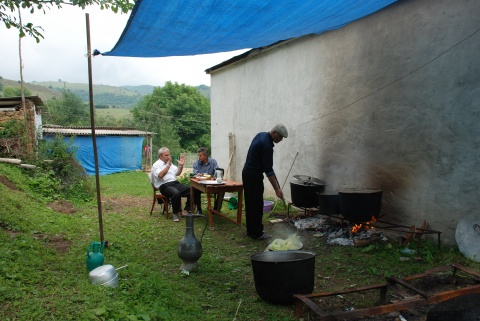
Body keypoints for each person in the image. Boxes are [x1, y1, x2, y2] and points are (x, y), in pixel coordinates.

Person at [242, 124, 288, 240]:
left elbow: (267, 168)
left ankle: (252, 230)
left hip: (247, 172)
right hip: (253, 175)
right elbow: (269, 171)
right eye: (280, 137)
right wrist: (277, 189)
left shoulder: (261, 135)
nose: (281, 140)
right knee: (256, 204)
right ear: (274, 133)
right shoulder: (267, 145)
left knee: (251, 203)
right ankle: (257, 233)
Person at [151, 147, 191, 222]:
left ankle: (186, 210)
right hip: (164, 185)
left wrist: (181, 166)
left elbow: (178, 173)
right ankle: (175, 213)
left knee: (190, 189)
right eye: (166, 155)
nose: (168, 157)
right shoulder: (156, 165)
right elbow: (160, 175)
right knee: (176, 193)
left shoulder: (170, 164)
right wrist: (168, 166)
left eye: (169, 155)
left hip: (175, 183)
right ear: (160, 156)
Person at [192, 147, 219, 214]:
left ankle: (216, 209)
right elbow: (195, 173)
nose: (199, 157)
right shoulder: (196, 163)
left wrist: (215, 176)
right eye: (198, 155)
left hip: (212, 183)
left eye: (200, 155)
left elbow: (217, 172)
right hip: (201, 184)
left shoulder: (213, 162)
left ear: (206, 156)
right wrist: (197, 175)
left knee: (221, 190)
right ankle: (199, 209)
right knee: (195, 190)